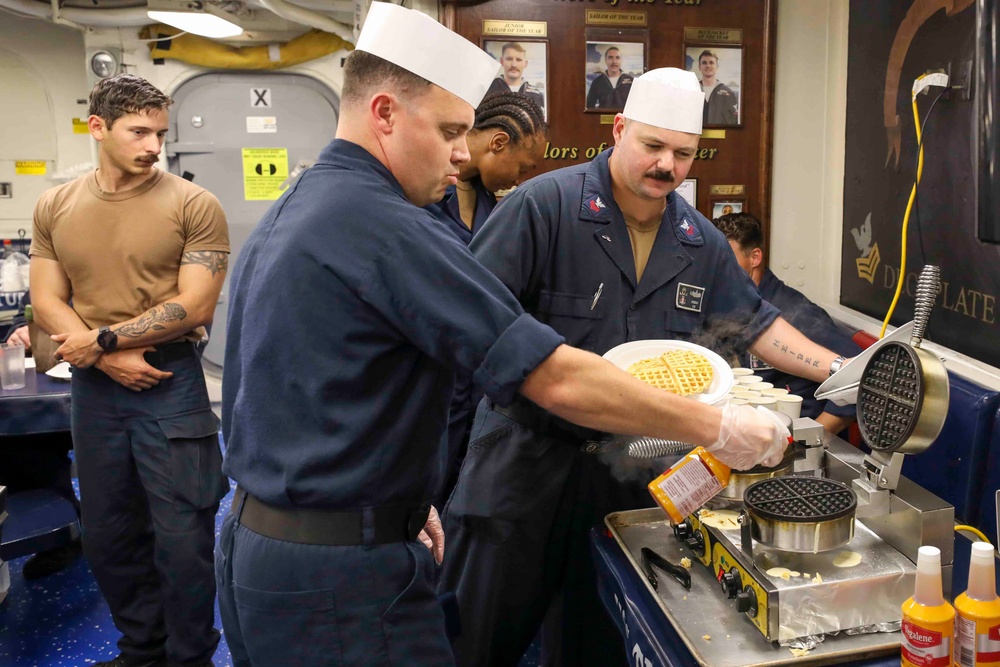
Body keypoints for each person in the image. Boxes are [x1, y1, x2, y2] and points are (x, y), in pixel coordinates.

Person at [217, 6, 788, 665]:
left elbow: (287, 389)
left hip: (276, 542)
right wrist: (716, 426)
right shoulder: (390, 226)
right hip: (341, 579)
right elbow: (552, 373)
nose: (465, 154)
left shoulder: (302, 205)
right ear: (384, 113)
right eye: (451, 130)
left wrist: (399, 501)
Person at [439, 68, 845, 667]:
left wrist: (843, 370)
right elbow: (464, 328)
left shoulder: (698, 239)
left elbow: (755, 324)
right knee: (475, 641)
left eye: (682, 153)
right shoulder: (543, 208)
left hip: (625, 478)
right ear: (620, 129)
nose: (666, 166)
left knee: (598, 641)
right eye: (653, 146)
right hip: (522, 470)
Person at [30, 73, 230, 667]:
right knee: (109, 536)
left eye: (160, 133)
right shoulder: (56, 204)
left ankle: (190, 658)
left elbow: (194, 306)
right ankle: (142, 652)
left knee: (183, 541)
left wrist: (108, 340)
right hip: (95, 390)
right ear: (98, 128)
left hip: (169, 384)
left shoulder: (193, 204)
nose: (153, 146)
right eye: (138, 131)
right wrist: (106, 354)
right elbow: (45, 301)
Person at [425, 91, 547, 508]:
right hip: (431, 372)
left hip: (473, 381)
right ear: (498, 143)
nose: (520, 178)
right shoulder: (424, 191)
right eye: (522, 166)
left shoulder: (492, 206)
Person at [713, 211, 862, 434]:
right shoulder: (732, 305)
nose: (718, 269)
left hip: (796, 434)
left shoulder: (795, 314)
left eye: (727, 259)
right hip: (758, 429)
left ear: (755, 257)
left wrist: (810, 440)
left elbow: (857, 379)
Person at [0, 292, 83, 579]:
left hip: (100, 384)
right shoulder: (46, 273)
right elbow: (25, 317)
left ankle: (65, 534)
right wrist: (19, 333)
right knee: (15, 433)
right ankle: (58, 524)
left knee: (29, 437)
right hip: (48, 383)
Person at [485, 42, 545, 114]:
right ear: (502, 61)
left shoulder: (536, 95)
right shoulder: (487, 91)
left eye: (519, 60)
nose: (514, 64)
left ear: (525, 64)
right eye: (509, 59)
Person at [697, 49, 738, 126]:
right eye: (704, 63)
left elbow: (733, 122)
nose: (708, 65)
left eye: (711, 62)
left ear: (717, 66)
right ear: (699, 67)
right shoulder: (693, 90)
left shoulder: (727, 93)